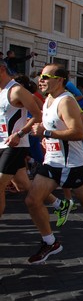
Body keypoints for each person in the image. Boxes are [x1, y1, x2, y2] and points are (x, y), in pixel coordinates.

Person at [23, 64, 83, 263]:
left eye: (46, 76)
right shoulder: (48, 99)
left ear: (60, 80)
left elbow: (78, 133)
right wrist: (46, 140)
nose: (41, 79)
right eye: (41, 75)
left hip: (74, 164)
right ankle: (50, 242)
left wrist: (47, 133)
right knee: (32, 200)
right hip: (52, 162)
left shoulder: (66, 101)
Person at [0, 60, 42, 217]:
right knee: (22, 184)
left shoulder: (17, 90)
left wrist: (20, 133)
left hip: (16, 144)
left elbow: (38, 114)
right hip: (2, 142)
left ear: (2, 69)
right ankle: (59, 203)